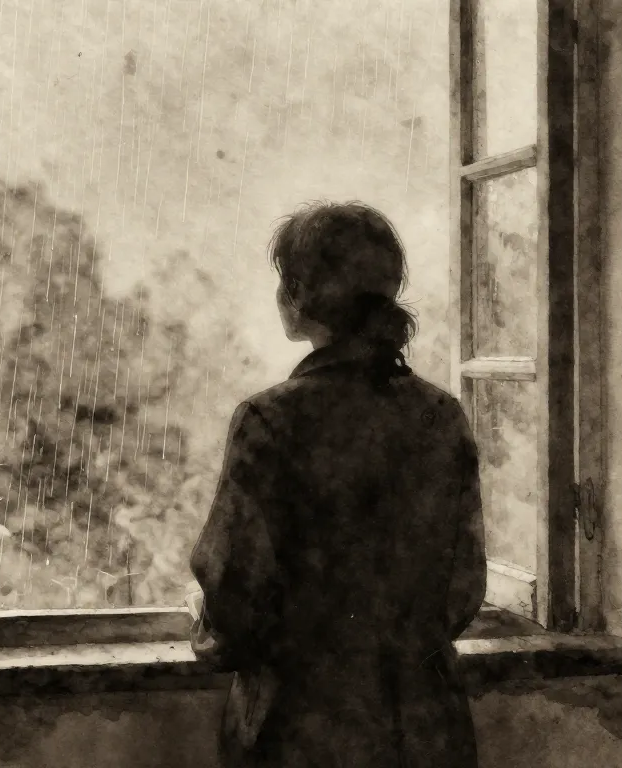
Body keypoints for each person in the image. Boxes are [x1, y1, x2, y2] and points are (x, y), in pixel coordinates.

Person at [189, 201, 487, 768]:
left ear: (299, 293)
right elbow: (463, 586)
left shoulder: (269, 420)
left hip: (300, 731)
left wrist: (209, 632)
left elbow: (235, 597)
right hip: (425, 730)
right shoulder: (440, 416)